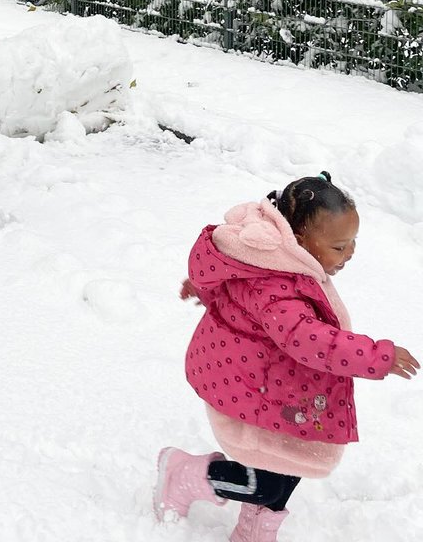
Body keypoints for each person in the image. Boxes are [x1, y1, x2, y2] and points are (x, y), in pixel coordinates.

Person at [154, 171, 419, 541]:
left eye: (352, 243)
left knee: (295, 458)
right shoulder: (275, 285)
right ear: (298, 239)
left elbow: (237, 282)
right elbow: (306, 338)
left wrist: (206, 288)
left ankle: (253, 531)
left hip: (281, 385)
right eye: (339, 247)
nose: (350, 254)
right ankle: (184, 474)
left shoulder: (281, 260)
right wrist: (375, 356)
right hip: (252, 387)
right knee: (263, 483)